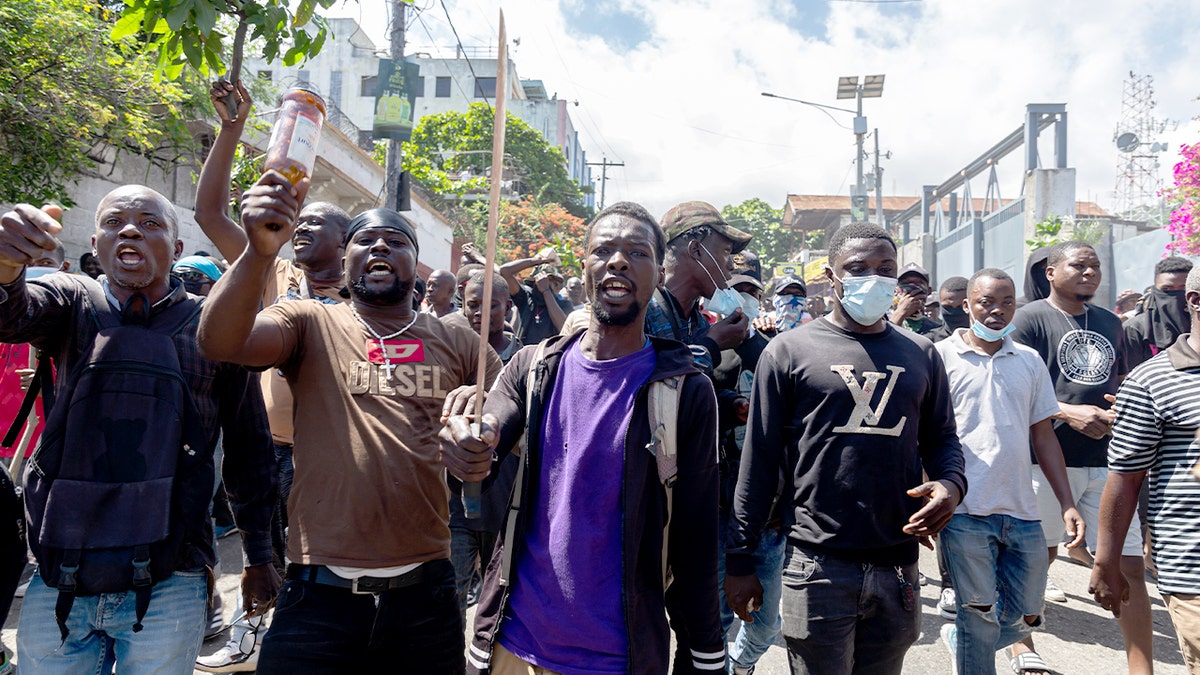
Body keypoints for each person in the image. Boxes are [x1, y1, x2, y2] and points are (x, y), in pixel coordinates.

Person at [199, 171, 501, 673]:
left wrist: (483, 420)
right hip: (319, 595)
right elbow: (220, 343)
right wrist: (257, 252)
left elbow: (514, 405)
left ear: (414, 263)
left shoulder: (457, 339)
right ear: (346, 260)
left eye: (396, 240)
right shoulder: (307, 319)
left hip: (425, 595)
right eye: (365, 238)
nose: (380, 245)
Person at [0, 187, 278, 674]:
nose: (129, 230)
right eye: (114, 223)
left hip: (173, 575)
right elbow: (13, 313)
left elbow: (248, 448)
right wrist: (6, 266)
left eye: (150, 223)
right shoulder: (71, 302)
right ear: (95, 243)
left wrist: (258, 556)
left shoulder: (215, 329)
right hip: (61, 569)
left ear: (176, 249)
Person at [442, 201, 725, 674]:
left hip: (617, 657)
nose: (618, 261)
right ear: (585, 267)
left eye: (637, 252)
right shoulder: (532, 367)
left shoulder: (685, 390)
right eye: (604, 250)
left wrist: (705, 656)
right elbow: (488, 435)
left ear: (657, 275)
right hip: (510, 643)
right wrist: (469, 447)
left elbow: (696, 539)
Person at [725, 222, 966, 674]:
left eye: (885, 268)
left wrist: (951, 486)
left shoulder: (921, 354)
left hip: (898, 567)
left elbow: (942, 440)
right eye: (857, 268)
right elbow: (759, 462)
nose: (873, 278)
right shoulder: (788, 352)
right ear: (832, 277)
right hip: (816, 565)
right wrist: (740, 558)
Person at [192, 78, 354, 673]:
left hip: (327, 454)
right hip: (266, 449)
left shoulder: (368, 302)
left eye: (318, 223)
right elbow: (210, 213)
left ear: (349, 243)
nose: (301, 226)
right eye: (298, 219)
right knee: (259, 551)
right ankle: (251, 631)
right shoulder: (270, 273)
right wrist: (234, 130)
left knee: (314, 560)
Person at [933, 268, 1085, 674]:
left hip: (1022, 510)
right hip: (964, 510)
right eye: (986, 302)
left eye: (1007, 303)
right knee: (979, 611)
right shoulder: (940, 358)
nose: (997, 311)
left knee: (1029, 612)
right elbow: (923, 434)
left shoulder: (1029, 360)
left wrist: (1067, 501)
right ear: (966, 306)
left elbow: (1044, 437)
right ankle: (971, 644)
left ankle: (961, 639)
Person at [1009, 240, 1151, 675]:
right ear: (1051, 272)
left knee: (1127, 564)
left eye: (1095, 266)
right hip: (1045, 461)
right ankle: (1020, 644)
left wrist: (1120, 405)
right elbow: (1013, 385)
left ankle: (1140, 666)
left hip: (1107, 460)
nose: (1090, 272)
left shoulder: (1111, 322)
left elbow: (1122, 377)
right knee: (1038, 556)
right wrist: (1067, 412)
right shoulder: (1028, 320)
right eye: (1079, 265)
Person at [1091, 263, 1200, 672]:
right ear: (1195, 300)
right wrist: (1107, 562)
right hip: (1192, 569)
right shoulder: (1152, 381)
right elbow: (1125, 478)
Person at [446, 270, 522, 620]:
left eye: (490, 305)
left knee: (499, 597)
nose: (480, 313)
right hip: (455, 499)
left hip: (504, 498)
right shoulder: (451, 353)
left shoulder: (526, 360)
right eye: (472, 304)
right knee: (450, 594)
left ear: (507, 306)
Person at [1124, 256, 1192, 370]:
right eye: (1167, 290)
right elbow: (1127, 376)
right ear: (1155, 291)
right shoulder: (1135, 329)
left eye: (1183, 289)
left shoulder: (1197, 326)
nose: (1175, 297)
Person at [499, 253, 574, 344]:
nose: (544, 282)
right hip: (525, 354)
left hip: (550, 354)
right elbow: (504, 271)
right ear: (534, 283)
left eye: (549, 280)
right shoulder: (525, 299)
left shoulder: (564, 304)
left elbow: (563, 327)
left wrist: (546, 291)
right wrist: (536, 261)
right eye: (540, 280)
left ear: (555, 285)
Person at [888, 262, 940, 336]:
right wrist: (900, 313)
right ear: (895, 290)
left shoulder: (936, 330)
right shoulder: (881, 322)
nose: (912, 287)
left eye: (919, 282)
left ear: (928, 291)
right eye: (905, 283)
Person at [927, 276, 970, 343]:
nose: (954, 312)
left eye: (960, 307)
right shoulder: (930, 342)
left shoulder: (986, 341)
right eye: (948, 307)